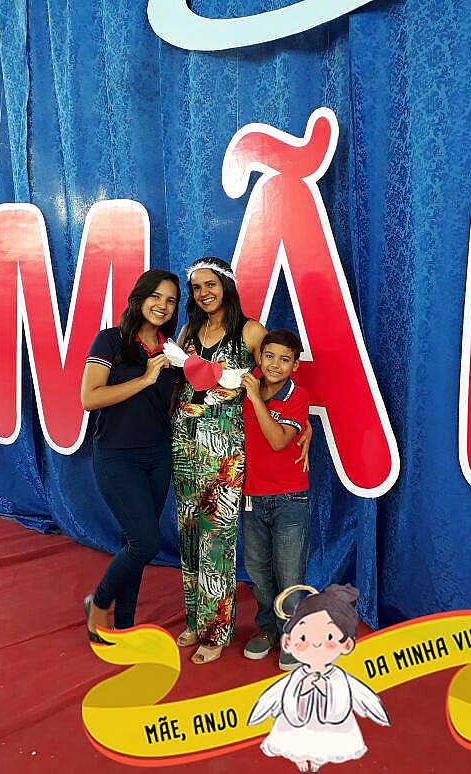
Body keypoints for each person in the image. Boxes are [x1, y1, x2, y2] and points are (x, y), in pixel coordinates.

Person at [170, 257, 268, 664]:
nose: (203, 293)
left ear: (226, 285)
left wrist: (295, 424)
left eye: (209, 284)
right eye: (196, 287)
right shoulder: (189, 331)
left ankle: (216, 631)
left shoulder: (250, 331)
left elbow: (275, 379)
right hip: (184, 440)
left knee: (216, 537)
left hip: (224, 447)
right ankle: (196, 619)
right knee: (189, 530)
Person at [80, 270, 180, 643]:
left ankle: (124, 626)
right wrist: (145, 379)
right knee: (145, 543)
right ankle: (98, 603)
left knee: (135, 543)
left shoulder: (172, 351)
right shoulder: (111, 340)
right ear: (139, 297)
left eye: (171, 301)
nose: (162, 305)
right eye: (156, 296)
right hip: (116, 457)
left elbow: (171, 404)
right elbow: (90, 398)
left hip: (158, 455)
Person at [247, 584, 390, 771]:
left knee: (288, 578)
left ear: (346, 644)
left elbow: (358, 693)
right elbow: (275, 694)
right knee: (260, 577)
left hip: (328, 719)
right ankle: (269, 630)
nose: (315, 644)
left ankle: (285, 629)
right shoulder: (300, 678)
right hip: (298, 718)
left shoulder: (336, 677)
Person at [240, 329, 312, 671]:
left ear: (295, 365)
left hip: (289, 498)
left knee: (289, 573)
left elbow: (278, 441)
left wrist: (255, 400)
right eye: (269, 356)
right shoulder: (246, 384)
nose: (274, 364)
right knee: (258, 570)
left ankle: (292, 636)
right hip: (252, 497)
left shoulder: (297, 395)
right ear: (259, 357)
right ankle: (268, 629)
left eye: (284, 360)